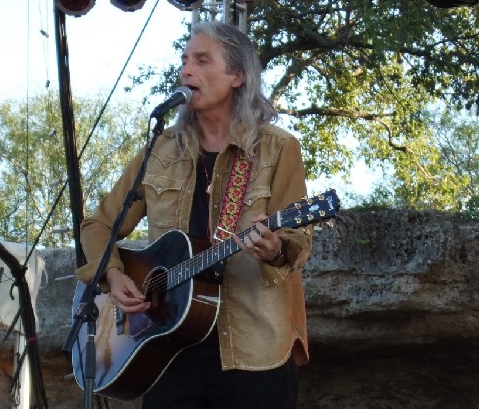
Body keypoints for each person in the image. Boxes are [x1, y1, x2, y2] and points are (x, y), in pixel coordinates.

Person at [75, 21, 313, 409]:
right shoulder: (161, 149)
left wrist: (274, 248)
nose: (186, 70)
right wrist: (114, 274)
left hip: (252, 348)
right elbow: (99, 224)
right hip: (167, 349)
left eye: (202, 61)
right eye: (185, 60)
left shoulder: (277, 148)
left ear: (237, 75)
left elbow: (298, 242)